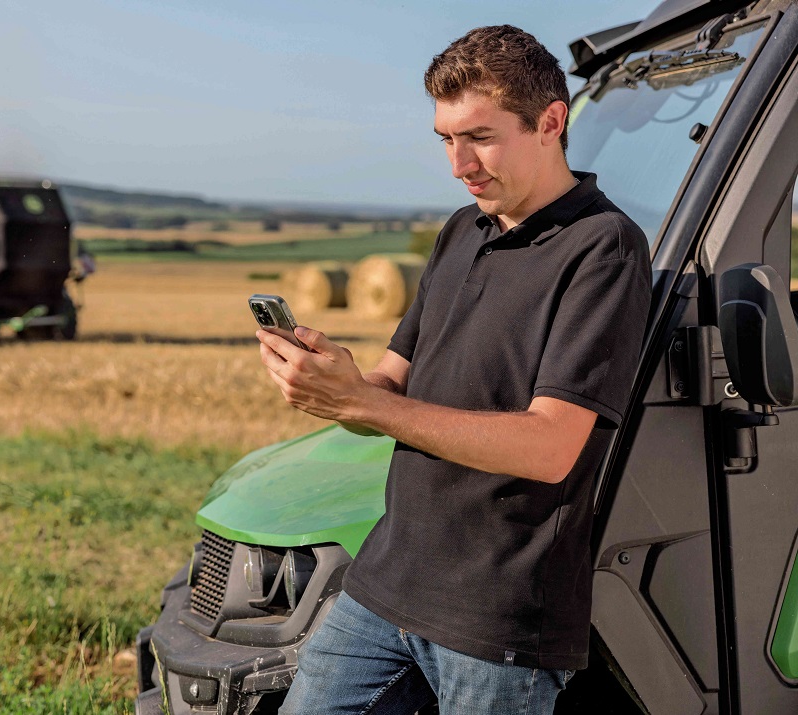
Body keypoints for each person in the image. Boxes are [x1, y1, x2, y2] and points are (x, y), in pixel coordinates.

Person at [258, 25, 652, 714]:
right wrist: (335, 385)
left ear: (551, 123)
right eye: (445, 138)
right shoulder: (459, 231)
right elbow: (390, 384)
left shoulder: (604, 248)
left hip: (496, 620)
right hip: (384, 585)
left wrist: (368, 406)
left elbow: (551, 445)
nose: (458, 164)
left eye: (480, 136)